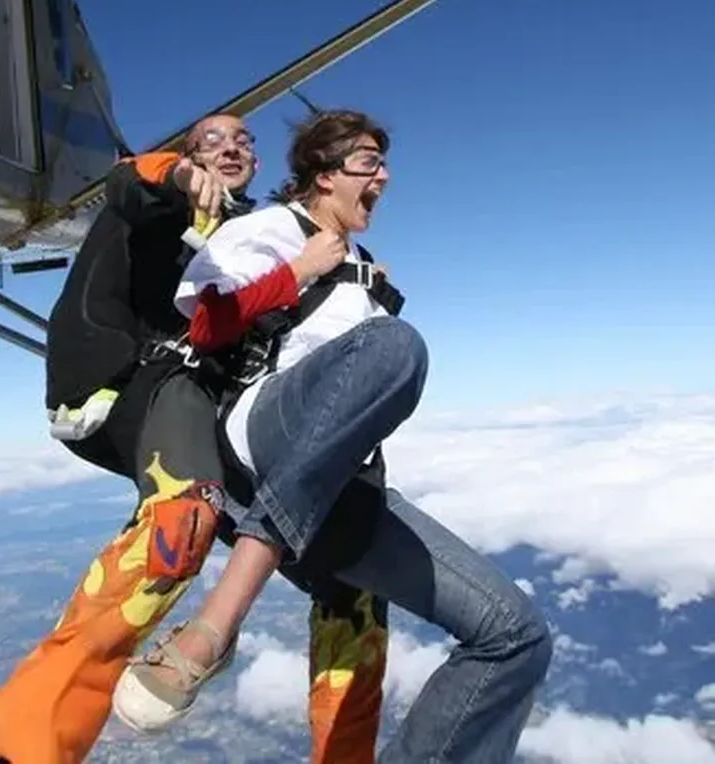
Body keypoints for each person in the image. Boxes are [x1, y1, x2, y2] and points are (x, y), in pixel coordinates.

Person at [116, 109, 554, 763]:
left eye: (383, 163)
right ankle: (216, 623)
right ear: (324, 177)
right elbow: (206, 326)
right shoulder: (273, 227)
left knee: (516, 635)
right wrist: (300, 268)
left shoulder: (362, 264)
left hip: (339, 490)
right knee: (392, 347)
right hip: (264, 436)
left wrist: (349, 275)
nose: (384, 177)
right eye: (369, 163)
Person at [0, 113, 390, 764]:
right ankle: (27, 750)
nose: (230, 148)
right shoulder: (165, 188)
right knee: (181, 518)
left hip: (199, 399)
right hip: (130, 375)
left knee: (354, 578)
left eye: (244, 141)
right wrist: (176, 170)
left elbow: (252, 323)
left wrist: (341, 283)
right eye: (211, 140)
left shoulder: (253, 231)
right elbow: (128, 180)